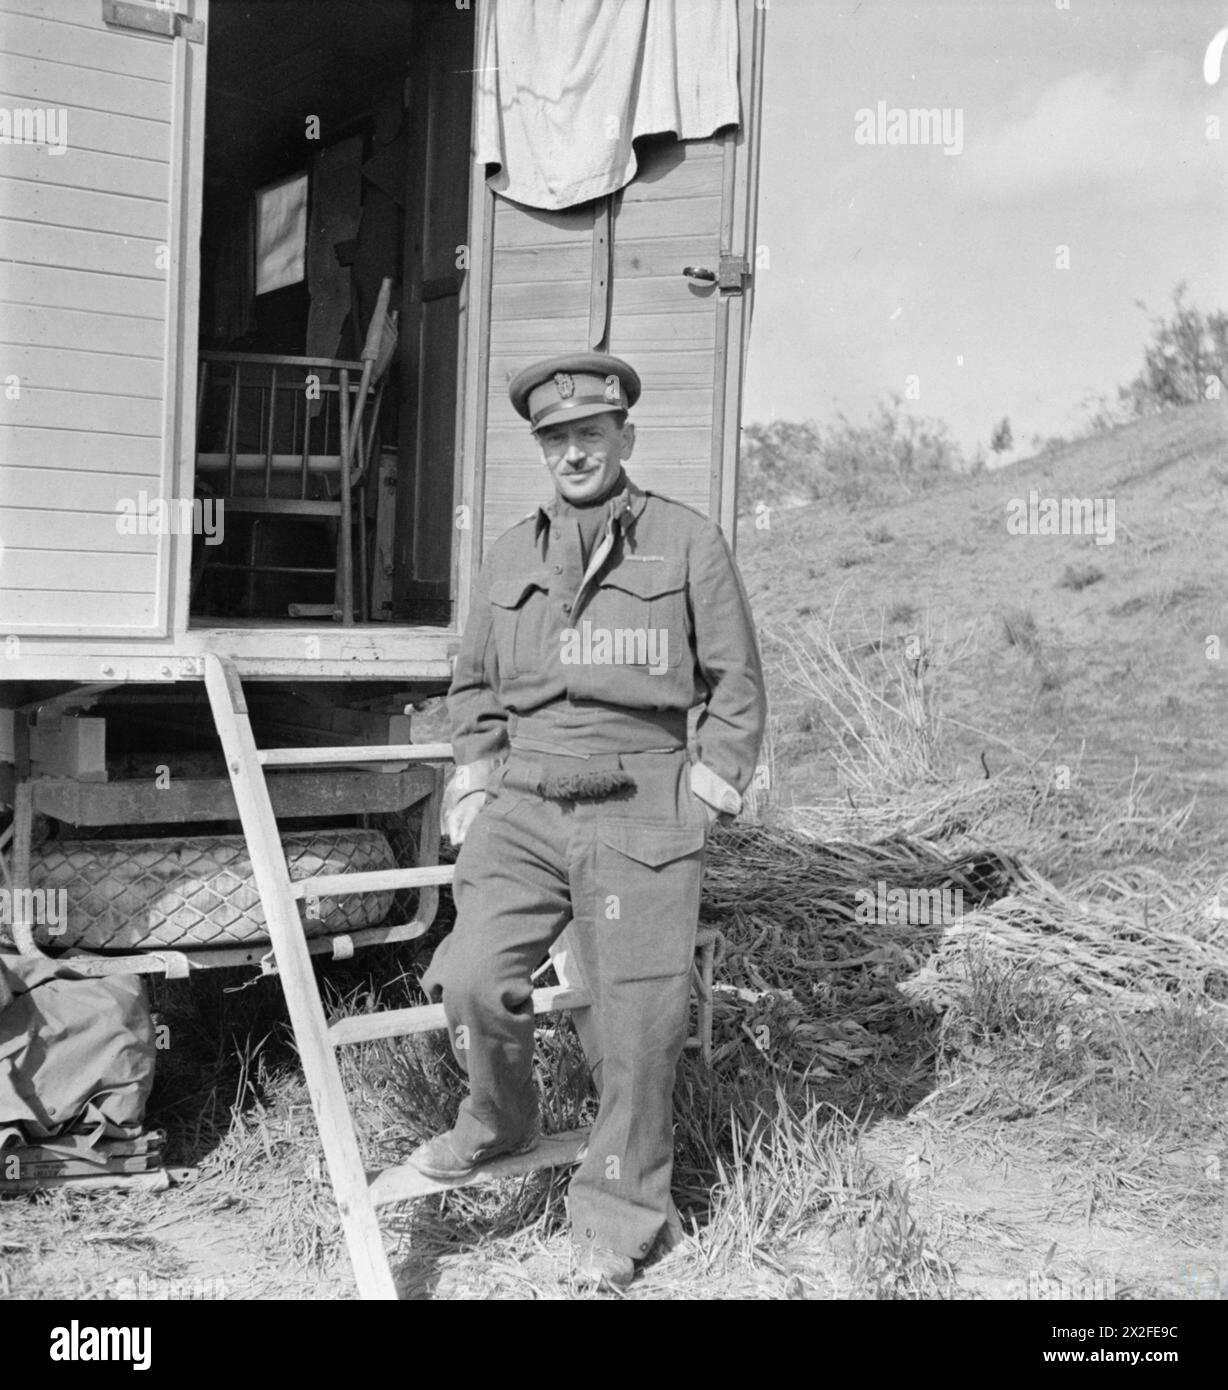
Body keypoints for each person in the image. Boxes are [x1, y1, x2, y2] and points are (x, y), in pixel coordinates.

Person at [413, 351, 766, 1290]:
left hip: (643, 800)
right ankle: (499, 1119)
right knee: (473, 977)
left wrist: (706, 786)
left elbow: (736, 686)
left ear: (625, 437)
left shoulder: (687, 542)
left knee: (638, 1022)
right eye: (556, 437)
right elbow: (474, 683)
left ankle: (619, 1215)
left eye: (590, 433)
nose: (575, 451)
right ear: (541, 446)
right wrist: (479, 782)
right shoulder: (507, 553)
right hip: (526, 802)